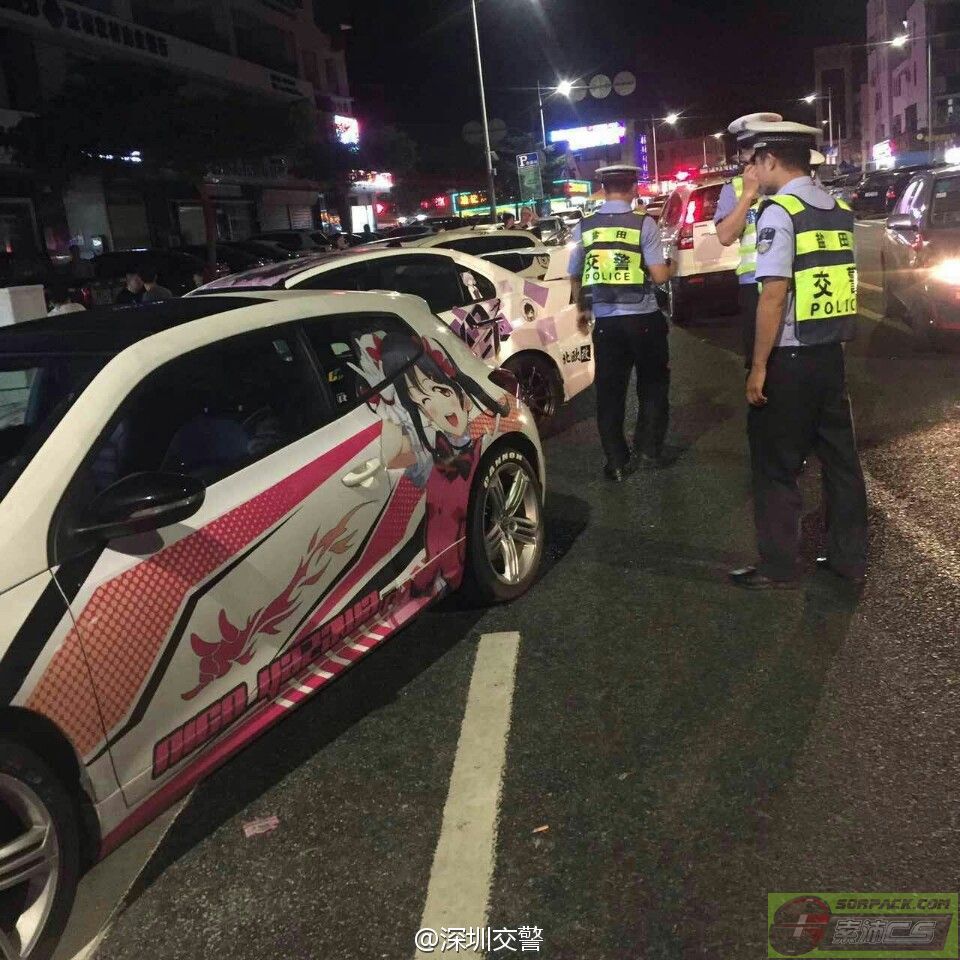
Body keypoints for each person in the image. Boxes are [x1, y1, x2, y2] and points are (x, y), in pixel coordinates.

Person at [728, 120, 868, 589]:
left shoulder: (779, 212)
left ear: (770, 159)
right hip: (830, 355)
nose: (752, 171)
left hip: (789, 358)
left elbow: (773, 295)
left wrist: (758, 367)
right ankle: (848, 559)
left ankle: (778, 566)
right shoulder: (838, 208)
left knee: (775, 465)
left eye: (755, 161)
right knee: (840, 463)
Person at [568, 164, 675, 482]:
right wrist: (672, 265)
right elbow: (659, 276)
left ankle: (616, 462)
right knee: (653, 385)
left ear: (603, 189)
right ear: (633, 188)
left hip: (607, 323)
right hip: (644, 318)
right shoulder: (644, 224)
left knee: (610, 392)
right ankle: (648, 451)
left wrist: (582, 310)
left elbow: (576, 273)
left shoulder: (584, 227)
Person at [715, 112, 783, 367]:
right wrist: (747, 196)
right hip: (753, 284)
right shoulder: (733, 188)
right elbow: (725, 236)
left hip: (793, 279)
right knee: (758, 359)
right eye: (748, 154)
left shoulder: (792, 183)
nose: (752, 161)